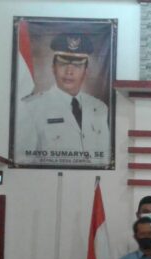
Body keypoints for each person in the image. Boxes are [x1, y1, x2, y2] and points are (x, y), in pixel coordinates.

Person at [15, 33, 110, 166]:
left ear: (86, 71)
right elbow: (22, 161)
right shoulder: (31, 108)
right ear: (53, 68)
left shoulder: (99, 108)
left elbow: (104, 158)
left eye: (77, 65)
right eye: (63, 64)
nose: (69, 72)